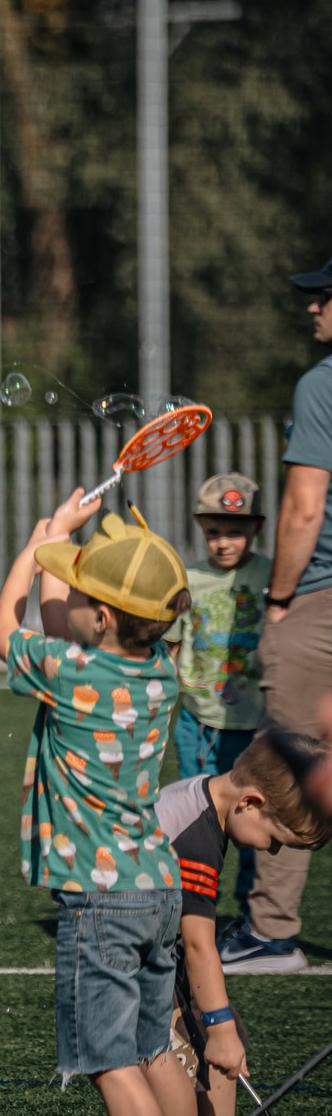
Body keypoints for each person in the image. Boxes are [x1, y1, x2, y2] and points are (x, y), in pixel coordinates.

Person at [0, 492, 201, 1116]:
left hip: (99, 898)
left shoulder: (67, 668)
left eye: (82, 592)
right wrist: (62, 547)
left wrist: (38, 541)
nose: (70, 597)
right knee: (154, 1049)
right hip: (157, 885)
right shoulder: (160, 671)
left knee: (110, 1061)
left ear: (103, 617)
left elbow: (3, 629)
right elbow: (61, 622)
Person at [158, 730, 330, 1116]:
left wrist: (222, 1026)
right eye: (276, 840)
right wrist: (218, 1026)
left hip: (160, 940)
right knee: (183, 1051)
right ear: (251, 802)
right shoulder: (195, 836)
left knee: (223, 1035)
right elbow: (198, 943)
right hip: (137, 951)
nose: (272, 853)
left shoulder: (210, 801)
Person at [226, 257, 332, 975]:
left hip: (320, 597)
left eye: (324, 296)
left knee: (288, 756)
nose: (312, 307)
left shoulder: (321, 384)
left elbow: (302, 507)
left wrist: (279, 601)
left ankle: (270, 933)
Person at [164, 473, 269, 914]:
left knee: (254, 821)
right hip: (198, 723)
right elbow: (172, 646)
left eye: (235, 532)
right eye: (213, 532)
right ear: (200, 528)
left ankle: (250, 913)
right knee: (196, 820)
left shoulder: (271, 576)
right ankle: (191, 909)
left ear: (256, 528)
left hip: (253, 728)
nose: (223, 542)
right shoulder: (187, 579)